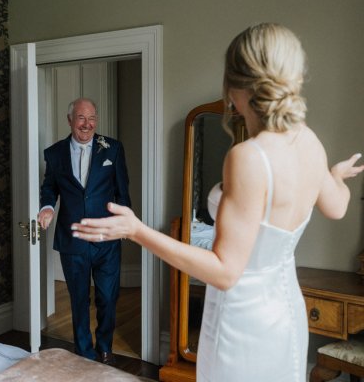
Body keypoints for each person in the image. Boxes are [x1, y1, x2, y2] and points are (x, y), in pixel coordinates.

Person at [70, 23, 364, 381]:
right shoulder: (309, 141)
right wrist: (333, 175)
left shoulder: (249, 157)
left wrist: (136, 230)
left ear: (236, 84)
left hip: (244, 321)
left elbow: (225, 272)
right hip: (286, 314)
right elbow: (337, 207)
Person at [37, 97, 131, 364]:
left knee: (107, 297)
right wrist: (47, 207)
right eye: (81, 118)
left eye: (91, 118)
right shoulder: (54, 153)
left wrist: (124, 222)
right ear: (70, 120)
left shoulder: (112, 149)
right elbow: (49, 188)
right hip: (73, 240)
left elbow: (123, 190)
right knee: (78, 299)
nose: (87, 124)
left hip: (106, 238)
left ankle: (104, 346)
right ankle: (84, 352)